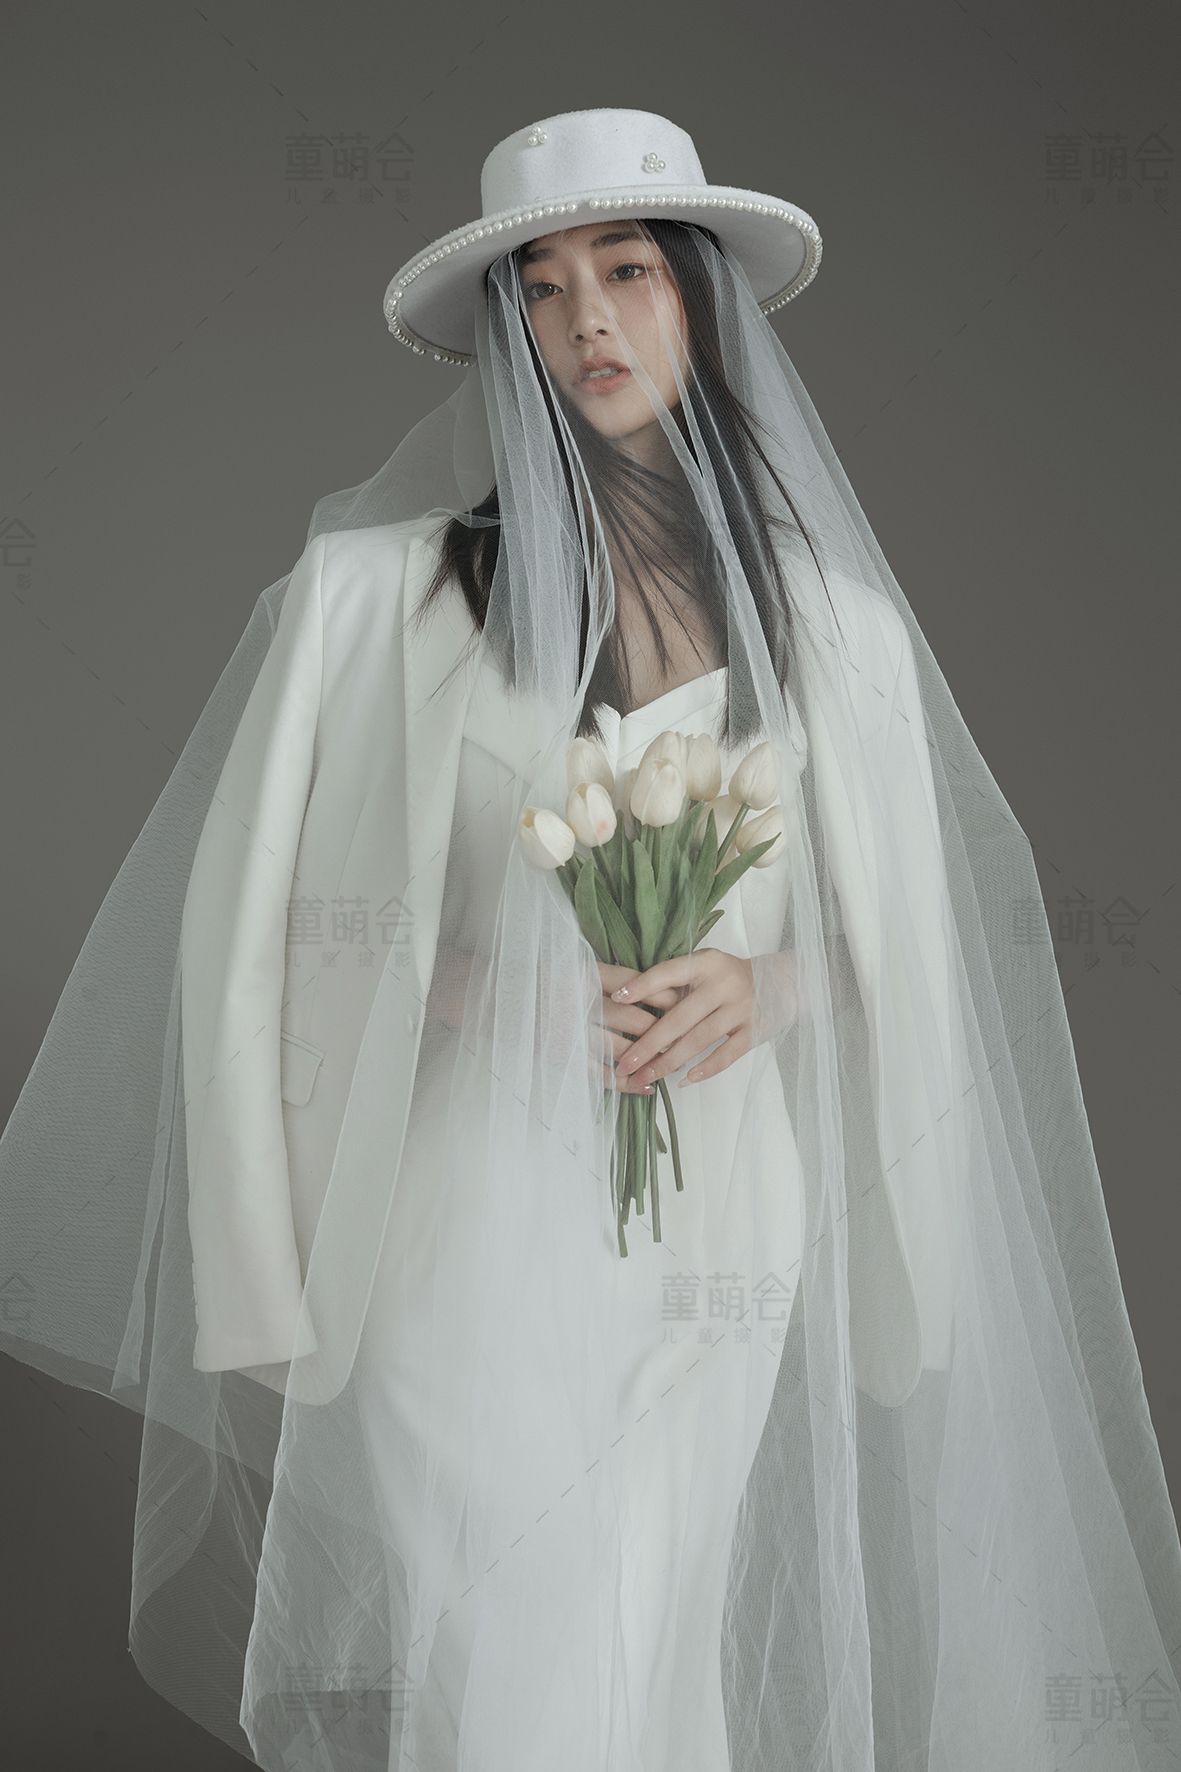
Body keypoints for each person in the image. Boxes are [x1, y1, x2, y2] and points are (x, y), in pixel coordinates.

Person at [3, 106, 1181, 1772]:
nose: (584, 321)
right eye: (541, 289)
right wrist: (492, 993)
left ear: (701, 299)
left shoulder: (837, 631)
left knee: (657, 1629)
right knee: (507, 1639)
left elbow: (910, 944)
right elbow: (254, 935)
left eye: (626, 271)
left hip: (723, 1225)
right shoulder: (370, 599)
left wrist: (767, 984)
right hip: (461, 1223)